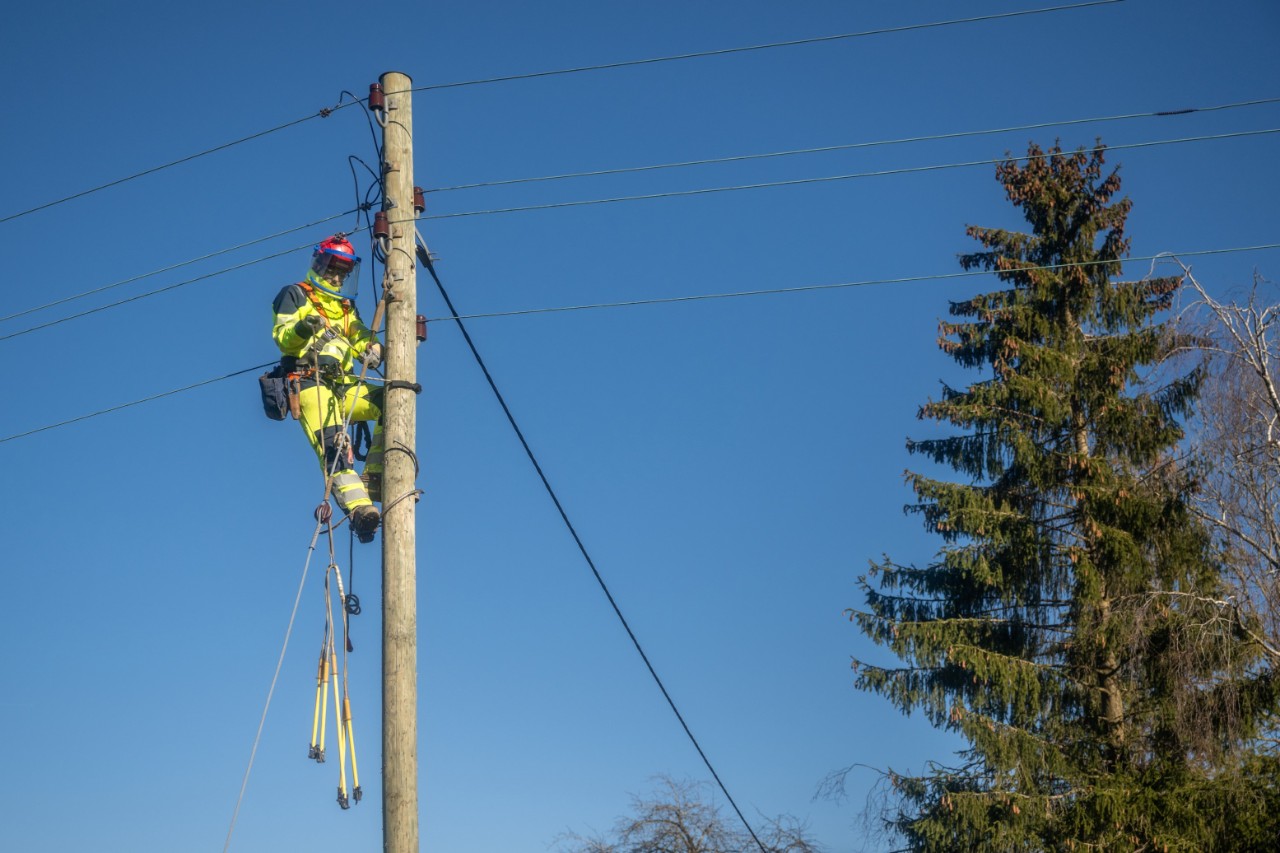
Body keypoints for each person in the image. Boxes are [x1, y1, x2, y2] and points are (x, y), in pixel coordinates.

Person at [272, 234, 384, 542]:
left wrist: (374, 348)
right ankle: (361, 510)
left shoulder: (346, 307)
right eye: (332, 269)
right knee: (335, 447)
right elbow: (283, 337)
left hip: (344, 384)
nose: (336, 276)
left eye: (342, 271)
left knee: (393, 399)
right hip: (310, 381)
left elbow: (359, 335)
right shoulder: (296, 294)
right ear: (319, 265)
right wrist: (303, 326)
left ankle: (374, 477)